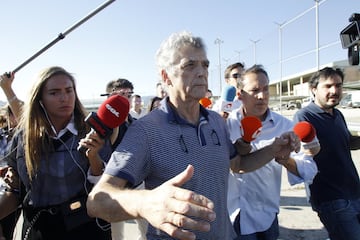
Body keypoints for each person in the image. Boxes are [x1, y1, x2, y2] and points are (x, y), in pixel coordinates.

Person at [86, 31, 301, 240]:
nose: (202, 72)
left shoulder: (216, 121)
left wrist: (274, 149)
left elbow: (238, 164)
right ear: (165, 76)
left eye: (205, 65)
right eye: (189, 65)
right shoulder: (146, 130)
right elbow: (96, 201)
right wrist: (144, 203)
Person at [0, 66, 112, 240]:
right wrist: (12, 183)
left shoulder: (92, 131)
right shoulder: (23, 137)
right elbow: (15, 192)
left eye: (69, 90)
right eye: (54, 93)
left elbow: (107, 188)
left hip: (86, 227)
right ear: (40, 99)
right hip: (38, 229)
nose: (64, 98)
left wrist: (94, 158)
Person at [227, 64, 318, 240]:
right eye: (255, 90)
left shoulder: (284, 126)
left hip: (266, 216)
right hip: (233, 215)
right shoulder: (226, 124)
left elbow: (309, 169)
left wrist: (285, 160)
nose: (262, 96)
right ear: (240, 95)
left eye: (266, 89)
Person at [293, 67, 360, 240]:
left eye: (338, 86)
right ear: (313, 89)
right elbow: (304, 155)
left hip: (353, 191)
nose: (334, 91)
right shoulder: (304, 117)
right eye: (328, 86)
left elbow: (345, 143)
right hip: (330, 198)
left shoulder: (337, 114)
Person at [80, 78, 148, 240]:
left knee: (146, 230)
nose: (126, 98)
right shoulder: (101, 127)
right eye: (121, 94)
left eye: (129, 94)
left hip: (138, 184)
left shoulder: (137, 125)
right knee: (116, 234)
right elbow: (100, 163)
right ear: (109, 97)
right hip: (113, 188)